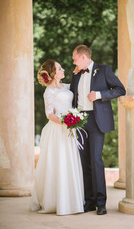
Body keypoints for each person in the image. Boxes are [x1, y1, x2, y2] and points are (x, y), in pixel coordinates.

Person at [70, 45, 126, 215]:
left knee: (95, 160)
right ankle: (90, 202)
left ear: (83, 57)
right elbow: (72, 95)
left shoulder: (103, 70)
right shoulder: (76, 74)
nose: (73, 62)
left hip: (96, 120)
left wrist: (100, 95)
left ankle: (101, 203)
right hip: (79, 121)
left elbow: (120, 89)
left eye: (74, 59)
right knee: (84, 162)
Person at [30, 59, 84, 215]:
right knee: (59, 164)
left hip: (69, 129)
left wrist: (77, 73)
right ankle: (58, 202)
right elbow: (49, 114)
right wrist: (66, 122)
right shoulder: (49, 92)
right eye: (59, 69)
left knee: (70, 162)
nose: (63, 70)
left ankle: (72, 201)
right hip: (58, 130)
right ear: (53, 73)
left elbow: (75, 87)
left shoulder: (65, 87)